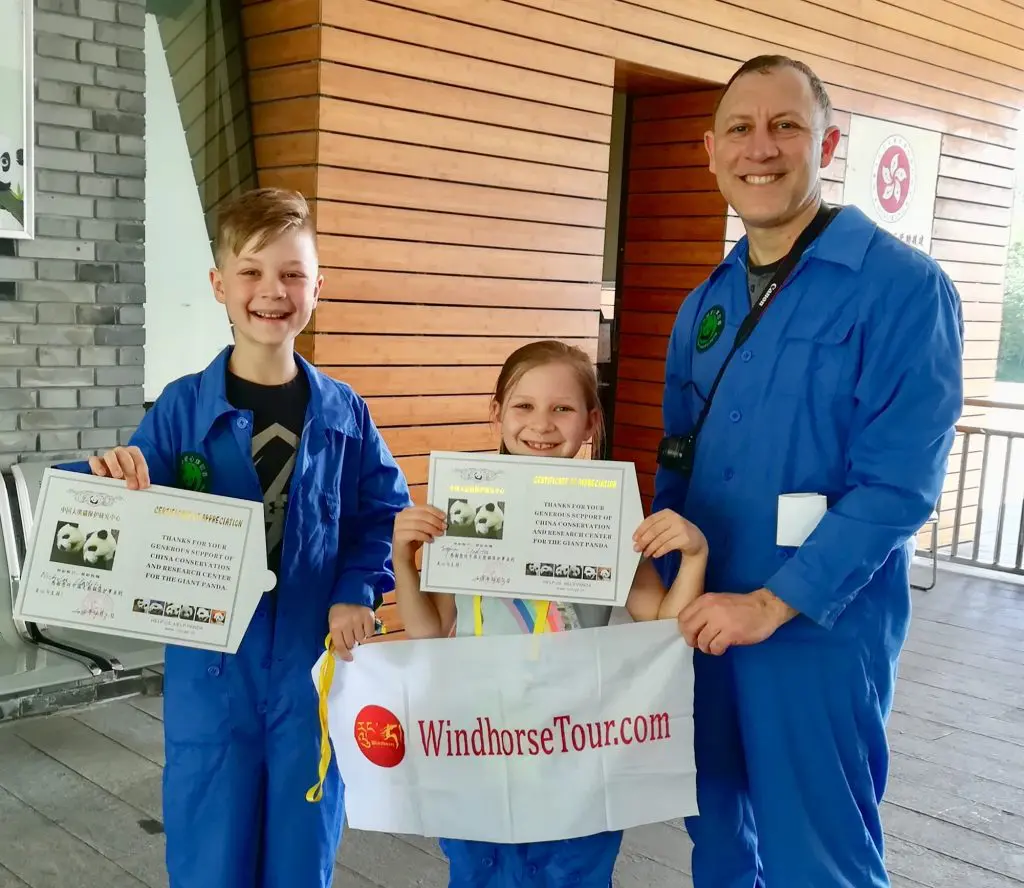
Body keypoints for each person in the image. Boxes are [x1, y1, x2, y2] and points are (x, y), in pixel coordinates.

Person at [651, 54, 964, 887]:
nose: (763, 147)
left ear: (827, 143)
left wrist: (771, 603)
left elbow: (900, 486)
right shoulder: (706, 303)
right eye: (741, 129)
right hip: (702, 623)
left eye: (786, 125)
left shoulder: (902, 290)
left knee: (817, 857)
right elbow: (676, 459)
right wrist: (656, 592)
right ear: (710, 150)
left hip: (818, 630)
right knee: (716, 837)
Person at [56, 187, 411, 887]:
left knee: (300, 854)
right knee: (208, 851)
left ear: (318, 287)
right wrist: (105, 472)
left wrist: (356, 590)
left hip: (313, 672)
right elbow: (116, 511)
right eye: (250, 272)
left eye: (291, 274)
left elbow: (380, 514)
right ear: (219, 285)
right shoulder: (181, 410)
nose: (271, 292)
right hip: (211, 677)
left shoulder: (345, 413)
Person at [392, 339, 709, 887]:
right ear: (496, 413)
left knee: (572, 871)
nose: (541, 424)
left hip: (577, 750)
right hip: (480, 740)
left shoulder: (606, 510)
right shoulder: (466, 503)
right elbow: (430, 630)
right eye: (524, 406)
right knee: (478, 871)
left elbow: (661, 626)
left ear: (591, 423)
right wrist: (404, 557)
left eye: (562, 408)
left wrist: (694, 557)